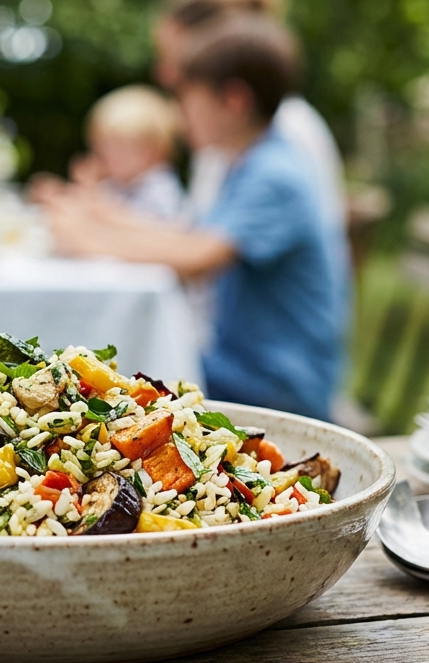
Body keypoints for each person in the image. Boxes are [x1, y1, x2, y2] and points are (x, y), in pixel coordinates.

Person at [44, 16, 349, 420]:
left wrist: (87, 241)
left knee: (104, 380)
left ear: (232, 101)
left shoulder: (275, 173)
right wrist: (104, 217)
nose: (177, 113)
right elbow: (189, 235)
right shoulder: (251, 161)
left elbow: (197, 258)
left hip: (273, 383)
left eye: (186, 97)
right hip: (246, 366)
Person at [153, 0, 344, 229]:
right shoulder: (237, 137)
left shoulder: (279, 138)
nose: (162, 73)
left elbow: (208, 246)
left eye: (170, 55)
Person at [34, 85, 185, 221]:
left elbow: (151, 229)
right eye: (99, 149)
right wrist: (61, 194)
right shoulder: (120, 183)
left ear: (149, 151)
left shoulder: (160, 187)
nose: (100, 159)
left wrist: (91, 195)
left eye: (113, 153)